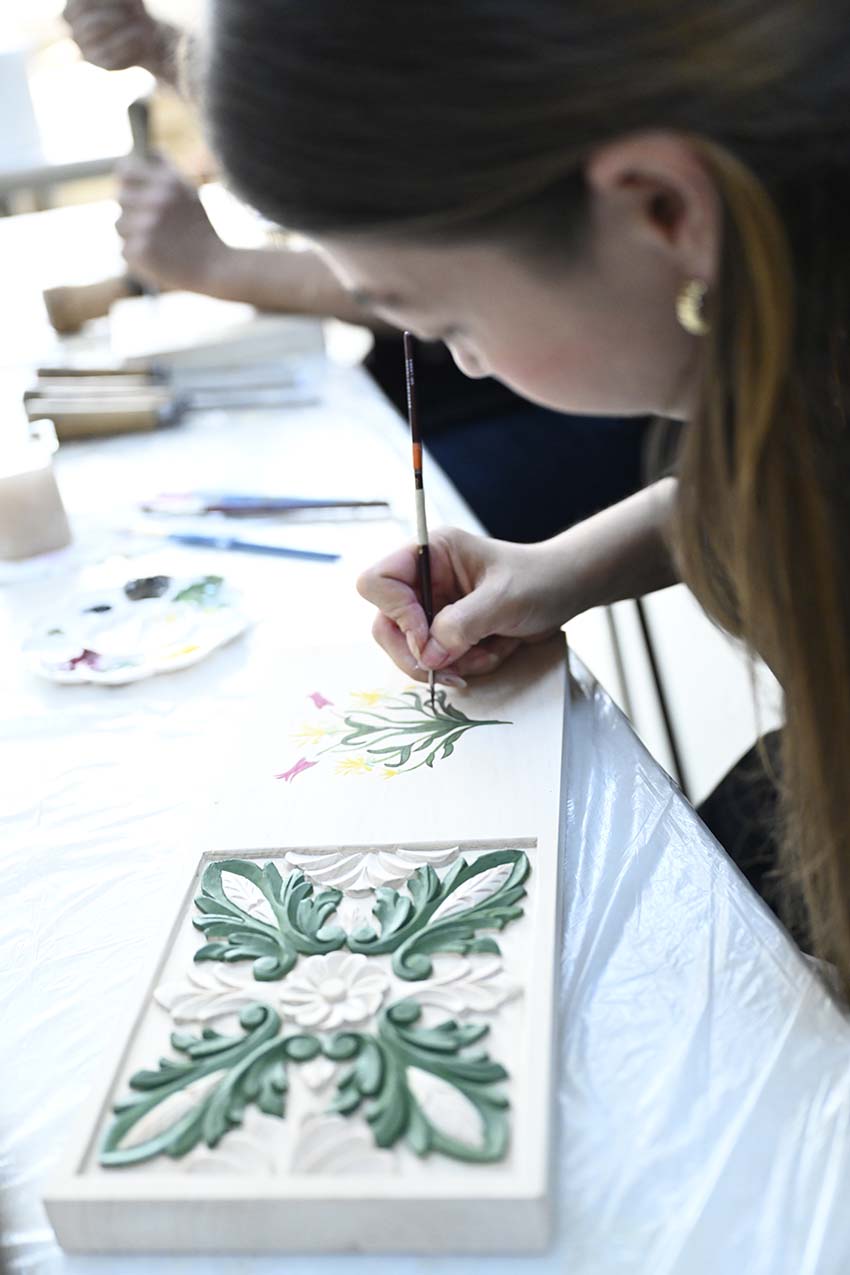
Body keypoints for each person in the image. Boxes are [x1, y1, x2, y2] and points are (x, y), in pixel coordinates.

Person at [199, 1, 850, 987]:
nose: (463, 361)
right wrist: (558, 569)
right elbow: (764, 483)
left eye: (448, 322)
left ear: (662, 211)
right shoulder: (804, 364)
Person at [63, 0, 652, 543]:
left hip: (576, 403)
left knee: (361, 543)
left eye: (453, 326)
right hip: (478, 372)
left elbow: (444, 269)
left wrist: (218, 266)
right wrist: (171, 55)